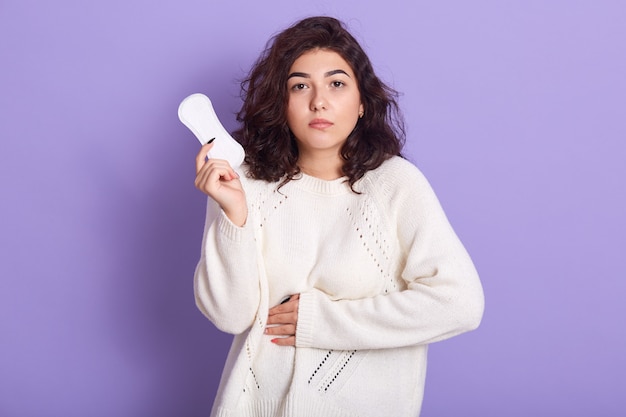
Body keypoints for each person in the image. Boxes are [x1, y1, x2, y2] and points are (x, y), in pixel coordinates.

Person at [193, 16, 484, 417]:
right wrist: (235, 215)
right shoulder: (242, 183)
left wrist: (322, 321)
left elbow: (460, 304)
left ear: (362, 101)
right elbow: (230, 316)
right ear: (281, 102)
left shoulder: (396, 184)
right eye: (299, 86)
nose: (319, 101)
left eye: (336, 83)